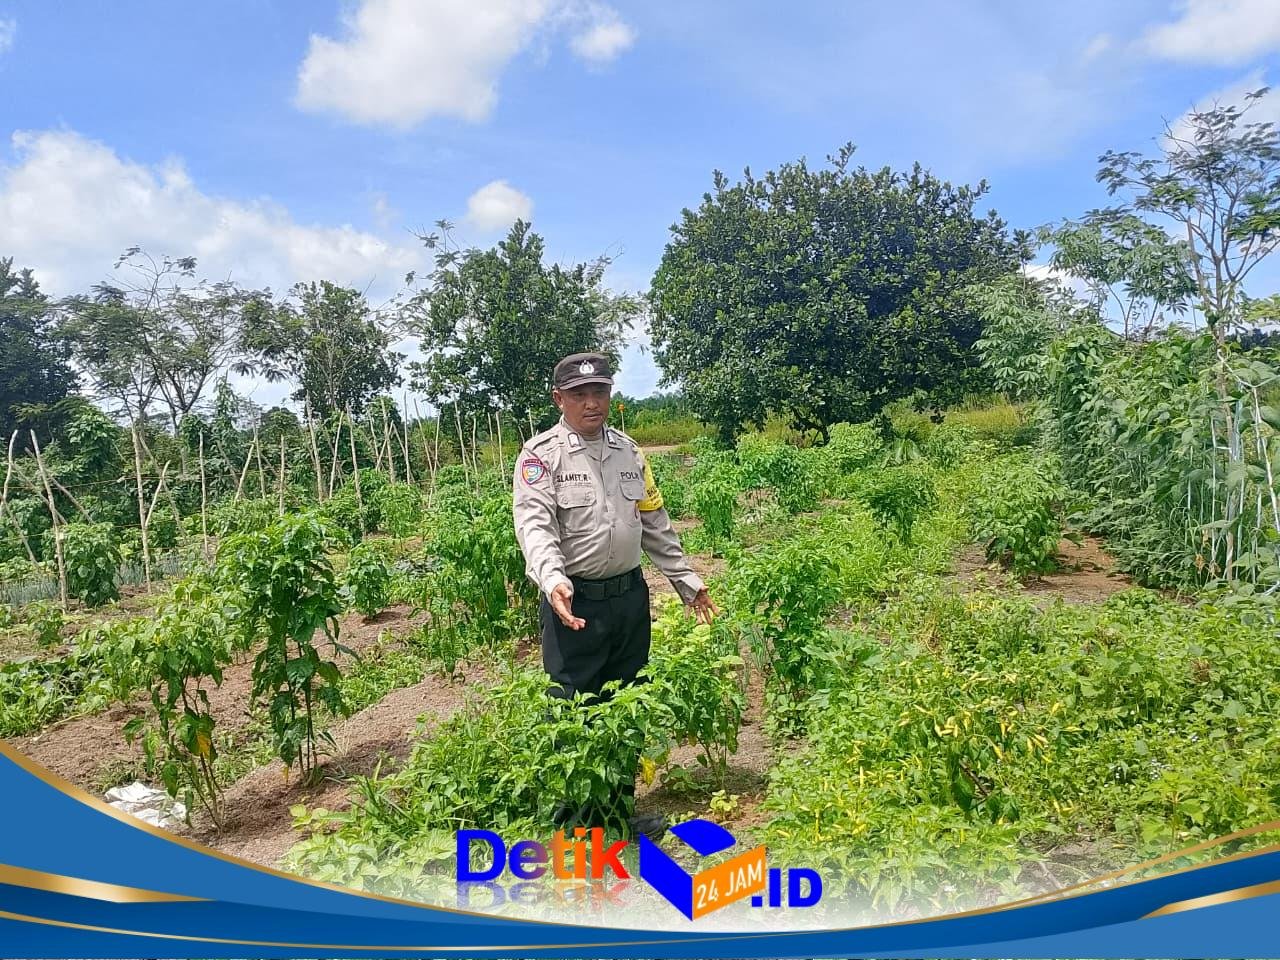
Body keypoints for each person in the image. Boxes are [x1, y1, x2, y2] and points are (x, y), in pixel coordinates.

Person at [512, 351, 719, 840]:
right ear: (559, 399)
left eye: (600, 392)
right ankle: (577, 827)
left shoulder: (631, 454)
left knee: (627, 704)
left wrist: (686, 581)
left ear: (610, 395)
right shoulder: (540, 457)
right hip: (574, 605)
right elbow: (534, 526)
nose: (592, 403)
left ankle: (617, 816)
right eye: (580, 394)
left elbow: (654, 524)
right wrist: (553, 580)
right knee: (574, 709)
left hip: (628, 600)